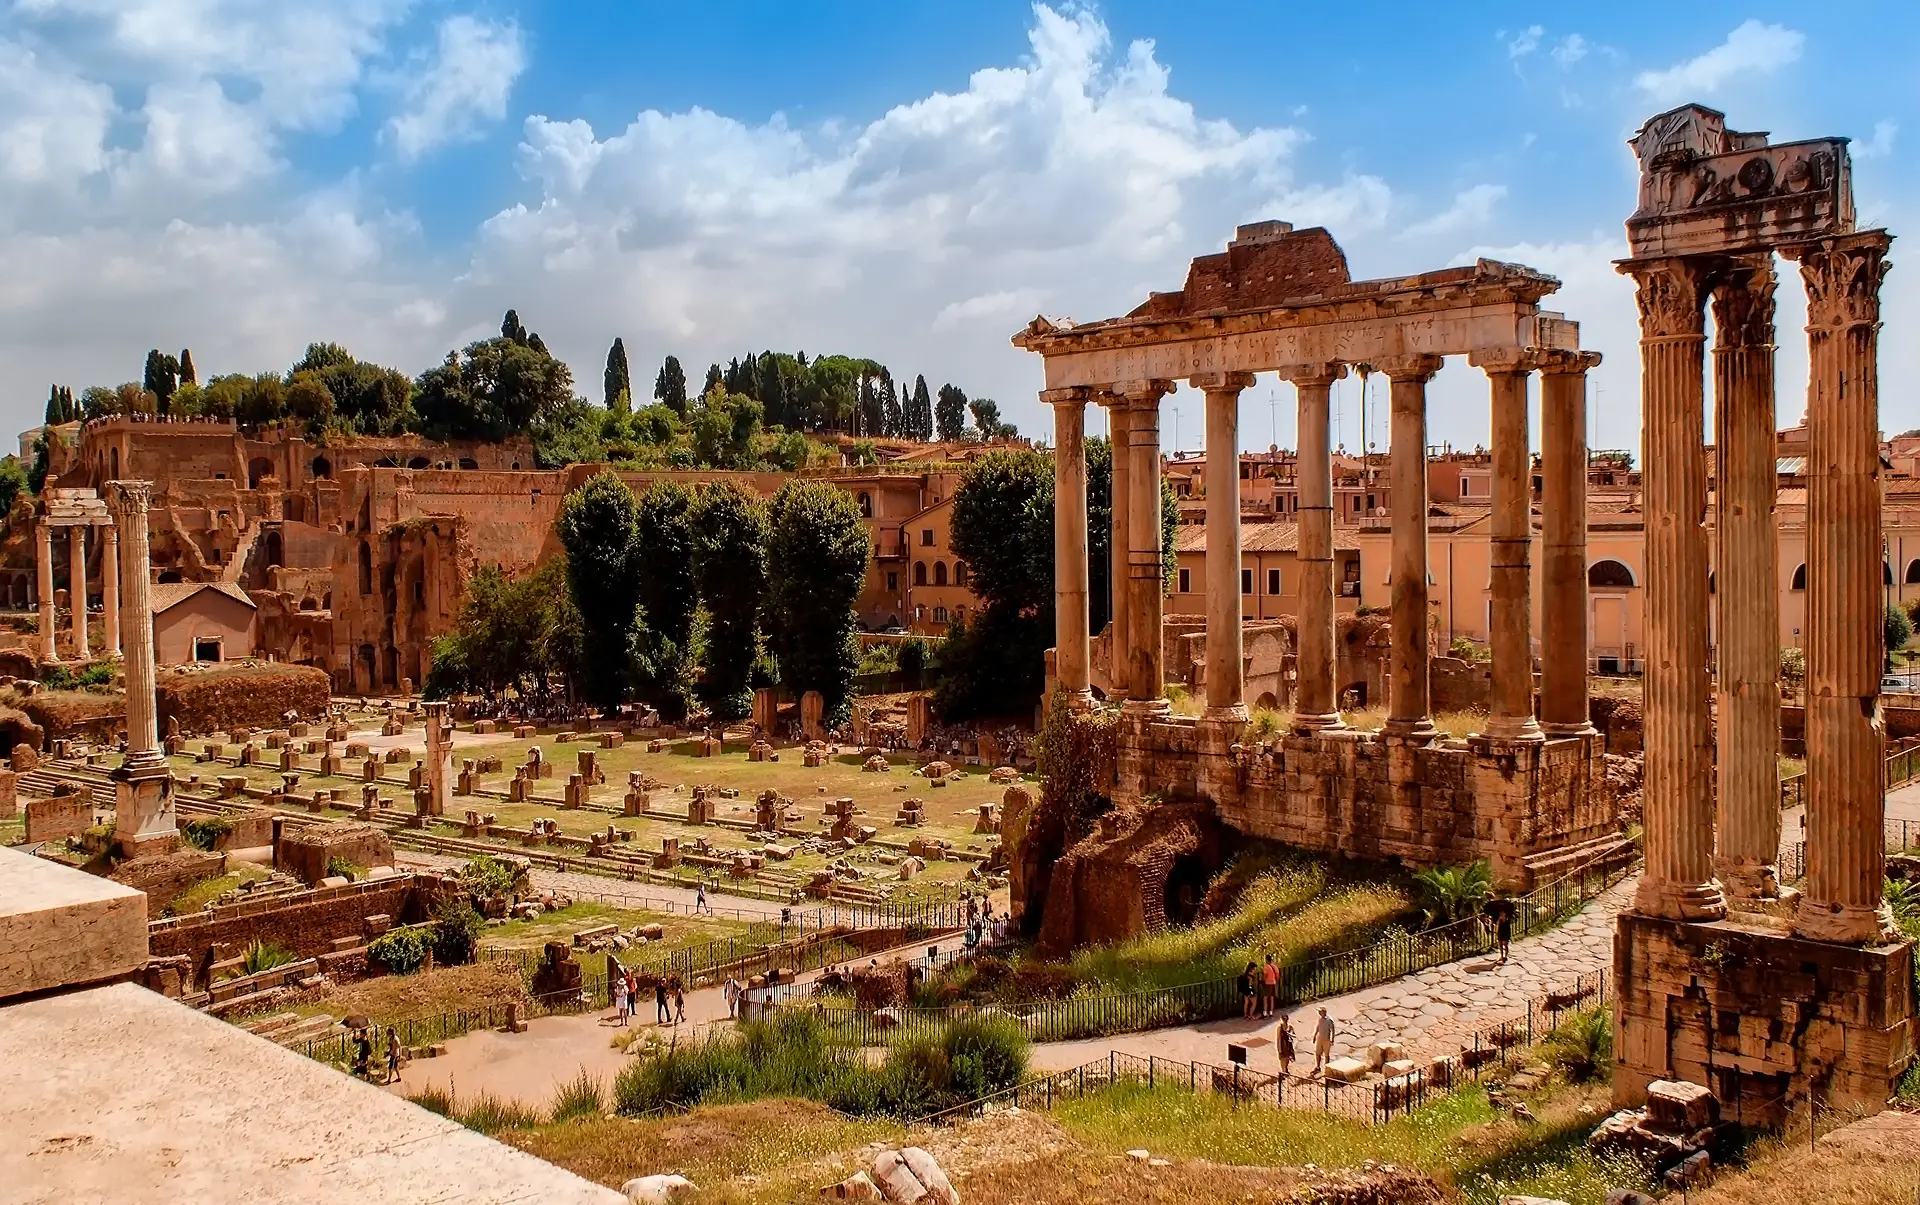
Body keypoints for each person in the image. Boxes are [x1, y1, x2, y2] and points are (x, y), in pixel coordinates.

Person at [1312, 1006, 1336, 1076]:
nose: (1319, 1012)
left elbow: (1332, 1030)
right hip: (1320, 1039)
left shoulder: (1329, 1020)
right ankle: (1318, 1066)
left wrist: (1332, 1039)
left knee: (1326, 1055)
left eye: (1320, 1011)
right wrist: (1314, 1035)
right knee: (1317, 1053)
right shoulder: (1319, 1019)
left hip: (1326, 1040)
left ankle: (1326, 1069)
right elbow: (1317, 1027)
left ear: (1324, 1012)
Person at [1260, 954, 1280, 1019]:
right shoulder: (1275, 967)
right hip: (1273, 983)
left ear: (1266, 959)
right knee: (1272, 998)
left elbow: (1265, 975)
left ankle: (1265, 1012)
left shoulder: (1266, 966)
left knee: (1265, 998)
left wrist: (1262, 980)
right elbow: (1277, 976)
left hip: (1268, 983)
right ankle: (1271, 1012)